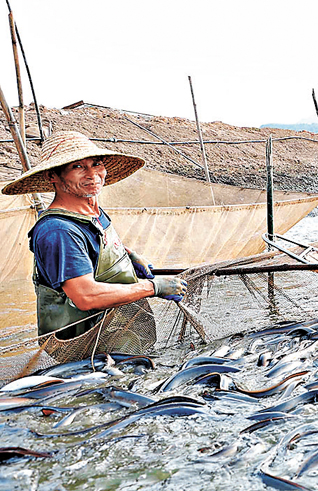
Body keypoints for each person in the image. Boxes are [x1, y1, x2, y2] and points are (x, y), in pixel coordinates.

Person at [2, 131, 188, 339]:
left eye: (96, 164)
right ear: (52, 176)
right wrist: (153, 287)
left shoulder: (92, 212)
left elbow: (94, 243)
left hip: (118, 330)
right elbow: (86, 296)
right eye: (77, 166)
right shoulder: (59, 231)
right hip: (90, 346)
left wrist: (128, 255)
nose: (92, 174)